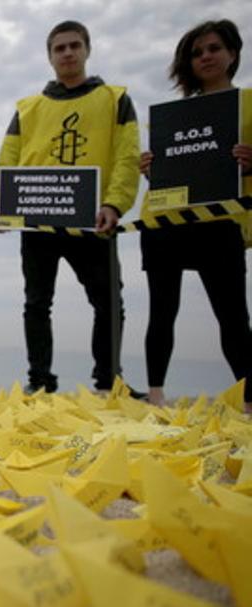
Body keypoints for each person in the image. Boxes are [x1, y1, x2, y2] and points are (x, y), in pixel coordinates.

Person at [0, 20, 141, 394]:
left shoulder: (115, 99)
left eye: (74, 46)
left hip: (92, 219)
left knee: (108, 302)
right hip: (38, 220)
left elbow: (127, 154)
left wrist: (115, 203)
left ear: (87, 49)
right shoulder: (28, 108)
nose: (68, 53)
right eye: (60, 48)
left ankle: (109, 381)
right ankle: (39, 381)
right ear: (50, 57)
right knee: (37, 303)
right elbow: (8, 157)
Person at [139, 19, 252, 412]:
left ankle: (248, 398)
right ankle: (155, 394)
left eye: (214, 48)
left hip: (220, 223)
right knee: (161, 312)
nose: (205, 56)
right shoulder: (173, 116)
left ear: (233, 53)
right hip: (165, 224)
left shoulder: (249, 102)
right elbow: (167, 176)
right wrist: (153, 167)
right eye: (197, 52)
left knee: (233, 314)